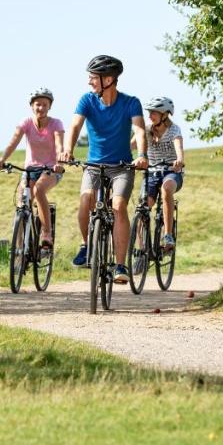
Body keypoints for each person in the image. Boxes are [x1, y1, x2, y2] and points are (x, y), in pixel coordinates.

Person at [61, 55, 147, 284]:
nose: (90, 82)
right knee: (85, 199)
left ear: (108, 79)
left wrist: (141, 155)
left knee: (118, 206)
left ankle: (120, 265)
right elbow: (74, 126)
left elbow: (139, 130)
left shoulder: (131, 102)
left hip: (121, 167)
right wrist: (67, 150)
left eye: (93, 78)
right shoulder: (87, 101)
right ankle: (86, 245)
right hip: (94, 166)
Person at [0, 87, 65, 255]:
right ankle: (18, 250)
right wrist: (3, 159)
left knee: (39, 190)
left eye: (44, 105)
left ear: (50, 106)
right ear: (31, 106)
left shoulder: (56, 123)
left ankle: (46, 234)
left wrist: (59, 163)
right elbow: (13, 142)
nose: (41, 108)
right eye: (37, 104)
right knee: (21, 204)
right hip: (30, 169)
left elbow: (59, 145)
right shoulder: (26, 122)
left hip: (51, 169)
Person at [143, 96, 185, 248]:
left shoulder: (174, 130)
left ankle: (167, 235)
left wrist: (179, 160)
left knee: (166, 188)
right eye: (149, 112)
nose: (150, 116)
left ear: (165, 114)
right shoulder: (147, 130)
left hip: (172, 172)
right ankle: (141, 250)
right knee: (143, 208)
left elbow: (178, 147)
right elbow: (131, 145)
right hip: (152, 173)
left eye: (154, 112)